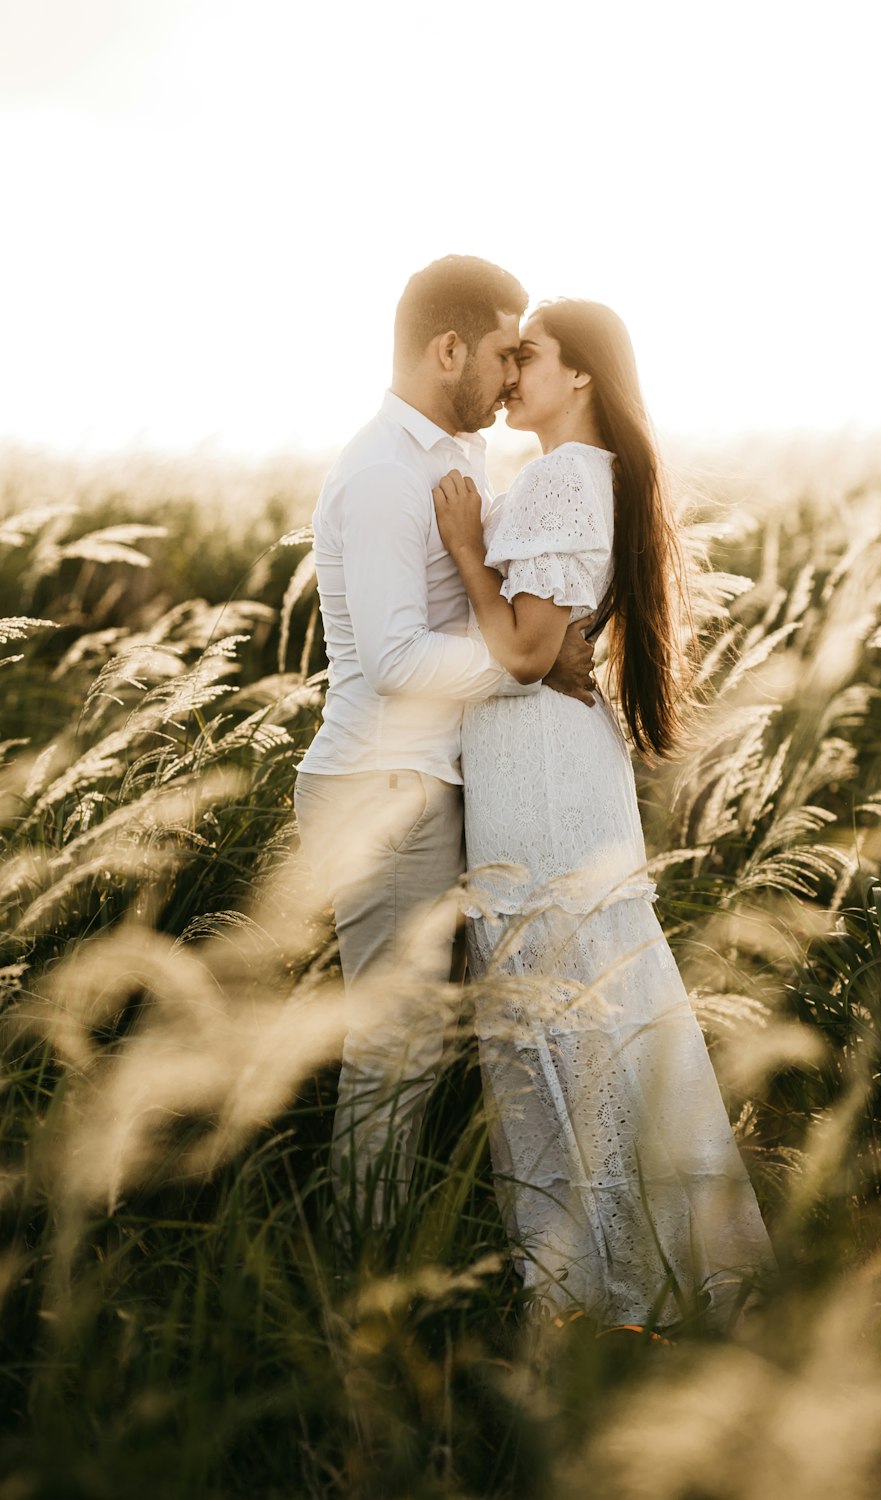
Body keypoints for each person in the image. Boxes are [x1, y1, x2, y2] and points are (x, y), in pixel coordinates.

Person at [432, 298, 775, 1330]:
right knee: (601, 1007)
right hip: (558, 766)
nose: (510, 374)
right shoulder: (599, 477)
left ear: (579, 376)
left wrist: (460, 546)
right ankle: (646, 1275)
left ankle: (607, 1286)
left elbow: (531, 651)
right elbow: (554, 639)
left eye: (527, 355)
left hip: (537, 776)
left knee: (559, 1011)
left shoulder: (556, 479)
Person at [293, 257, 596, 1222]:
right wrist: (528, 662)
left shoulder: (452, 460)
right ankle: (360, 1285)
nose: (513, 377)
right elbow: (392, 659)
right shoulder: (385, 473)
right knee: (397, 1054)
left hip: (420, 782)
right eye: (505, 353)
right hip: (382, 789)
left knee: (421, 1048)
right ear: (448, 347)